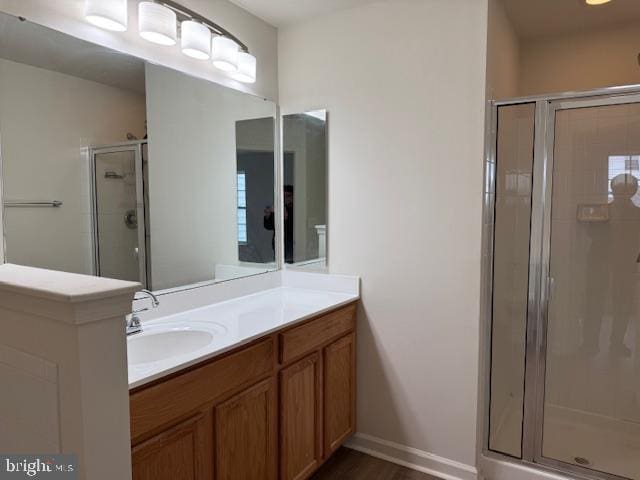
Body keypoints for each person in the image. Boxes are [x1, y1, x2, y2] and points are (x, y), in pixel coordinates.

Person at [264, 185, 294, 263]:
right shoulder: (278, 207)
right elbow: (268, 226)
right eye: (283, 196)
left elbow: (294, 227)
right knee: (278, 263)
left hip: (291, 242)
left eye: (288, 195)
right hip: (278, 242)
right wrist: (267, 215)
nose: (285, 198)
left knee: (290, 265)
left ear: (293, 196)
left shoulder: (297, 208)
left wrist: (286, 217)